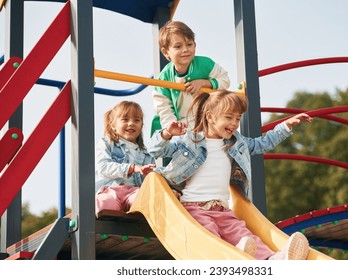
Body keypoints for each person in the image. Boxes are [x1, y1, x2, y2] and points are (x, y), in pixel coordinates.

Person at [147, 90, 313, 260]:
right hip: (194, 208)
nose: (234, 123)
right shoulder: (190, 141)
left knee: (244, 235)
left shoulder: (236, 142)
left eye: (238, 118)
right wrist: (167, 133)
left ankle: (273, 260)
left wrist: (286, 126)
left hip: (223, 208)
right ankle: (234, 257)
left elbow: (261, 144)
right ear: (210, 116)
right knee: (209, 237)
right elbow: (156, 150)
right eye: (228, 117)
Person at [151, 20, 230, 136]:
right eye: (178, 46)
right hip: (182, 122)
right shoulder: (164, 77)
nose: (185, 50)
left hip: (207, 118)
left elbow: (225, 80)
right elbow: (163, 106)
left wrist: (206, 83)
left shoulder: (205, 64)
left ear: (195, 45)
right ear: (166, 52)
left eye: (189, 44)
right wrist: (172, 126)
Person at [95, 101, 156, 216]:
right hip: (111, 189)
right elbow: (103, 167)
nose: (131, 123)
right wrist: (132, 168)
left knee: (146, 200)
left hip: (133, 192)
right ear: (113, 125)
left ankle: (138, 216)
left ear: (141, 126)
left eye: (136, 120)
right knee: (106, 204)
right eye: (125, 119)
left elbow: (151, 180)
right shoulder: (107, 143)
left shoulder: (147, 155)